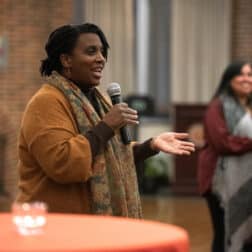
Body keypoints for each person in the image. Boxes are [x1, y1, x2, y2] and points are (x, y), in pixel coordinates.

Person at [16, 23, 195, 218]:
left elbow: (109, 155)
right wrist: (107, 126)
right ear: (66, 60)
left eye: (102, 52)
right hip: (58, 224)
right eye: (91, 51)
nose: (101, 59)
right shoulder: (47, 101)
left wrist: (150, 146)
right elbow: (64, 163)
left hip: (90, 226)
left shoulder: (94, 100)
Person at [197, 61, 252, 252]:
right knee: (224, 233)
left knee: (248, 235)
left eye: (250, 74)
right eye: (241, 74)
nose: (247, 79)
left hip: (248, 179)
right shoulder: (218, 106)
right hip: (220, 181)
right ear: (229, 79)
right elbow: (222, 143)